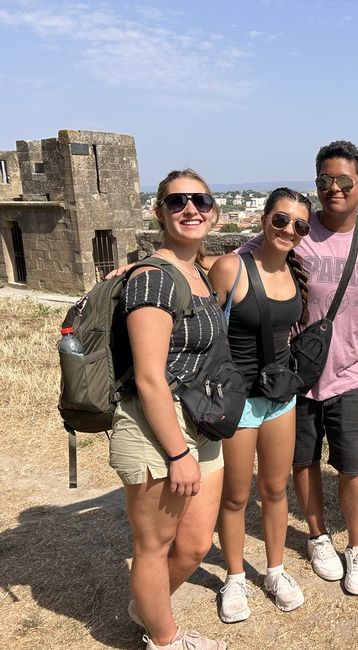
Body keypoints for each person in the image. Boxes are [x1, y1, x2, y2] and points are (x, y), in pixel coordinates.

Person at [237, 141, 358, 596]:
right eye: (324, 181)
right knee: (302, 461)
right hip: (296, 374)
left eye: (343, 182)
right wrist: (153, 265)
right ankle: (318, 535)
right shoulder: (297, 229)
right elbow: (234, 260)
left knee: (351, 463)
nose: (333, 189)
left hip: (347, 371)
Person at [112, 169, 227, 649]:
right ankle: (163, 639)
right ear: (159, 212)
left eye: (200, 200)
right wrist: (178, 453)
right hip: (158, 427)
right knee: (155, 546)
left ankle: (147, 609)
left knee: (196, 543)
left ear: (214, 213)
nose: (190, 209)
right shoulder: (153, 279)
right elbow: (149, 377)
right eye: (177, 201)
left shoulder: (197, 271)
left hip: (199, 422)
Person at [207, 188, 311, 622]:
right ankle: (234, 577)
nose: (289, 230)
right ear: (264, 219)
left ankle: (274, 570)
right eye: (281, 220)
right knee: (234, 496)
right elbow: (206, 330)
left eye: (300, 225)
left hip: (278, 401)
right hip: (238, 401)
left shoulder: (296, 273)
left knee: (273, 489)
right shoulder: (231, 267)